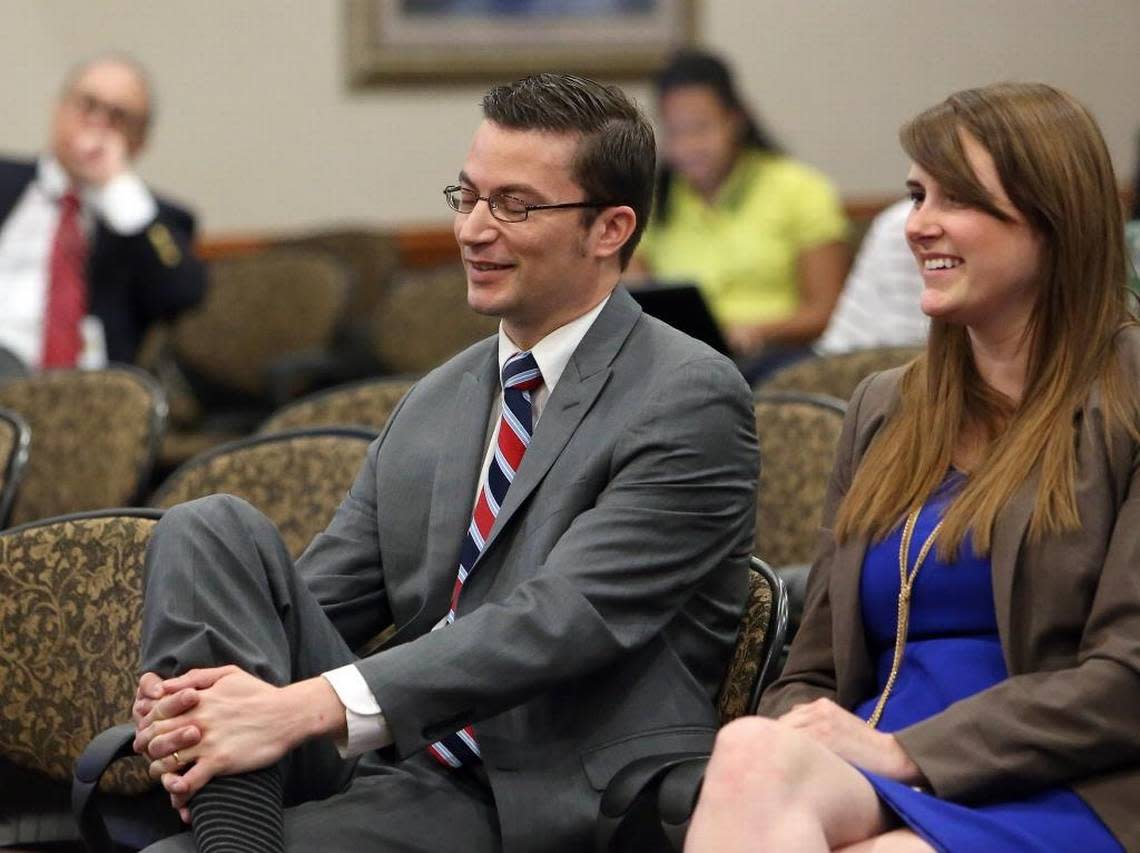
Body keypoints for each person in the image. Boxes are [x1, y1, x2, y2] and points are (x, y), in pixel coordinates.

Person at [129, 73, 758, 853]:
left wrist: (297, 710)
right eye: (467, 196)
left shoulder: (688, 394)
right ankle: (231, 826)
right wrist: (201, 705)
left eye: (514, 205)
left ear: (610, 229)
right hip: (399, 760)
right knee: (207, 527)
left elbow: (558, 622)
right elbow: (309, 605)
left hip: (536, 787)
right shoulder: (442, 395)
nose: (472, 230)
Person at [686, 82, 1138, 852]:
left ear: (1053, 218)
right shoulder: (886, 407)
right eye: (916, 193)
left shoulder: (1126, 399)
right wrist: (808, 731)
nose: (916, 225)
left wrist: (909, 753)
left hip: (1064, 783)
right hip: (873, 761)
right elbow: (816, 665)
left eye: (955, 198)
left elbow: (1127, 679)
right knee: (748, 748)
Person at [632, 49, 849, 382]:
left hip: (773, 357)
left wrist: (754, 331)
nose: (688, 146)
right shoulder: (652, 199)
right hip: (677, 357)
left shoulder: (801, 189)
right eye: (675, 132)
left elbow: (825, 312)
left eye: (701, 128)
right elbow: (635, 295)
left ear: (736, 120)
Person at [0, 54, 205, 370]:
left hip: (89, 395)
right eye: (87, 104)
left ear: (139, 141)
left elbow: (182, 293)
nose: (97, 122)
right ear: (59, 109)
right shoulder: (6, 181)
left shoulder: (148, 218)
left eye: (118, 115)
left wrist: (119, 189)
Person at [814, 198, 928, 355]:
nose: (913, 228)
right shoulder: (897, 225)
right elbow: (841, 351)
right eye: (919, 196)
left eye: (955, 200)